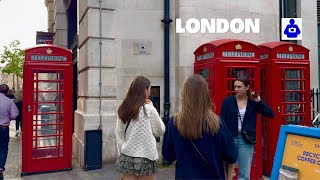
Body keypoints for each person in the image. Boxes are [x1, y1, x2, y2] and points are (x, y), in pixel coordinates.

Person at [162, 74, 237, 179]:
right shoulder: (217, 123)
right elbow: (231, 156)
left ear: (185, 94)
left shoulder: (174, 122)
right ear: (206, 94)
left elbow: (168, 155)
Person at [220, 76, 275, 180]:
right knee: (226, 172)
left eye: (239, 87)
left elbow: (271, 114)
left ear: (247, 87)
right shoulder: (228, 101)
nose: (236, 89)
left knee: (244, 175)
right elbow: (221, 121)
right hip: (230, 138)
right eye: (235, 86)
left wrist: (259, 101)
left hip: (245, 140)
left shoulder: (253, 103)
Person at [115, 76, 165, 180]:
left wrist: (122, 152)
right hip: (147, 157)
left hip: (127, 156)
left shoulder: (123, 108)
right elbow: (160, 130)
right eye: (149, 88)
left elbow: (119, 134)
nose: (150, 91)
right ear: (145, 90)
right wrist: (153, 107)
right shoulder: (149, 109)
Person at [0, 84, 19, 179]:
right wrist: (8, 118)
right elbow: (15, 114)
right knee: (3, 148)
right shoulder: (9, 101)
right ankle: (0, 168)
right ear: (7, 92)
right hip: (3, 128)